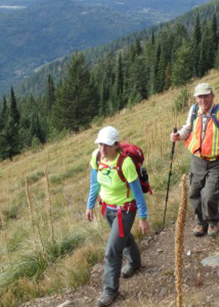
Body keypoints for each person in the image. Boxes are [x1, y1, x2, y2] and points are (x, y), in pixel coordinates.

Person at [86, 126, 149, 307]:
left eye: (106, 145)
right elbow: (94, 183)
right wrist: (90, 206)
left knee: (112, 251)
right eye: (100, 145)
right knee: (124, 237)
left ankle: (109, 291)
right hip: (107, 208)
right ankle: (135, 262)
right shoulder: (96, 157)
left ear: (116, 145)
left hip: (125, 210)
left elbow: (138, 194)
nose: (102, 149)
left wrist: (143, 217)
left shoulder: (126, 163)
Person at [170, 83, 219, 237]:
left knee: (209, 194)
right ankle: (200, 222)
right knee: (194, 193)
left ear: (212, 96)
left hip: (216, 162)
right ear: (196, 98)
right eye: (199, 96)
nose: (202, 100)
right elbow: (188, 128)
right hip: (197, 160)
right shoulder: (194, 110)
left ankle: (212, 222)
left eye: (205, 96)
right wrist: (179, 136)